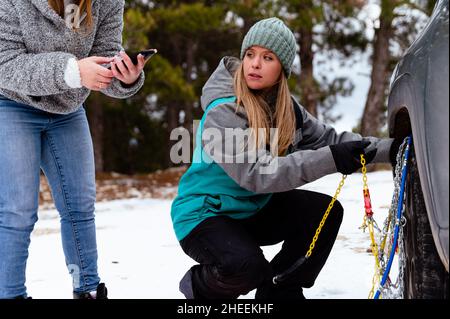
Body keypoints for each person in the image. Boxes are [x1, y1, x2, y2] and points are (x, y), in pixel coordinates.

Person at [171, 17, 399, 299]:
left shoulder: (288, 110)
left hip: (251, 210)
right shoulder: (223, 111)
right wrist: (331, 159)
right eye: (250, 55)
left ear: (283, 68)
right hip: (205, 215)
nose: (255, 64)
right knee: (246, 267)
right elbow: (257, 174)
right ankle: (198, 288)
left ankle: (279, 291)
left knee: (324, 213)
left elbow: (333, 141)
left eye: (267, 57)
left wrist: (397, 149)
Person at [0, 0, 149, 299]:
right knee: (18, 211)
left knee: (79, 206)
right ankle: (10, 294)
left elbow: (104, 57)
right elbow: (5, 64)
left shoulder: (105, 2)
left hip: (68, 108)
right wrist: (72, 71)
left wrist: (125, 77)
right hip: (12, 103)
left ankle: (88, 290)